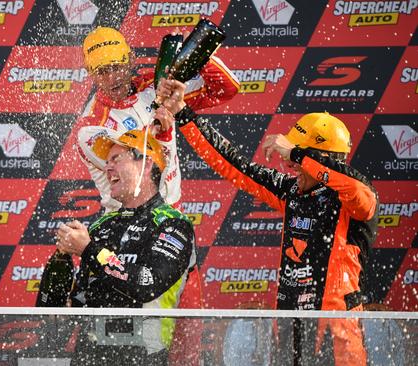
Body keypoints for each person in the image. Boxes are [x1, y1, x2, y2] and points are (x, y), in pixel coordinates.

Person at [159, 78, 378, 366]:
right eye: (289, 156)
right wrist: (183, 113)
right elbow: (233, 164)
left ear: (321, 157)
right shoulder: (291, 191)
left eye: (293, 158)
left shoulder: (353, 197)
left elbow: (358, 191)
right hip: (289, 321)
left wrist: (298, 153)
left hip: (336, 328)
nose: (288, 164)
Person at [56, 129, 196, 365]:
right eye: (107, 162)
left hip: (143, 356)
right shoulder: (102, 225)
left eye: (117, 159)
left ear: (146, 164)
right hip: (90, 354)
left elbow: (146, 283)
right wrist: (60, 262)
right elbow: (76, 301)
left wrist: (89, 250)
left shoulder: (172, 223)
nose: (108, 167)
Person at [78, 26, 239, 212]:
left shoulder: (156, 87)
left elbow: (226, 89)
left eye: (117, 67)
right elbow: (139, 173)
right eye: (102, 71)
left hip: (173, 214)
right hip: (127, 222)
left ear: (131, 60)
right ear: (90, 74)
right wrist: (162, 124)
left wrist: (197, 56)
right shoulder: (89, 126)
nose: (112, 77)